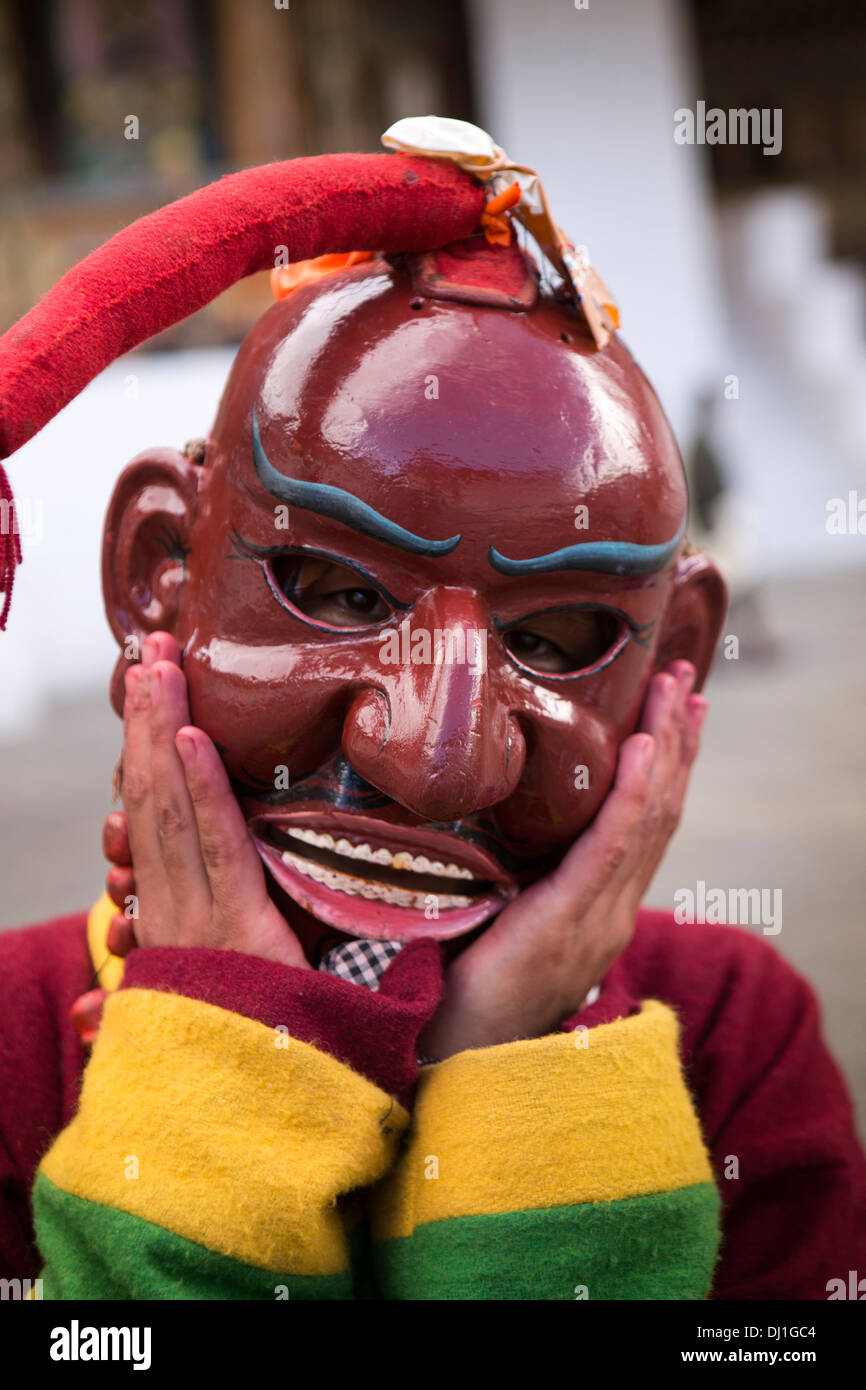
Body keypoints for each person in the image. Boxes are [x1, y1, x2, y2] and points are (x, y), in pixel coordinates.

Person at [0, 119, 863, 1300]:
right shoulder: (12, 1046)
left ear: (677, 662)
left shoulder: (733, 1035)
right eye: (341, 591)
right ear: (156, 566)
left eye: (555, 639)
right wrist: (231, 1065)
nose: (432, 758)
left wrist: (514, 1067)